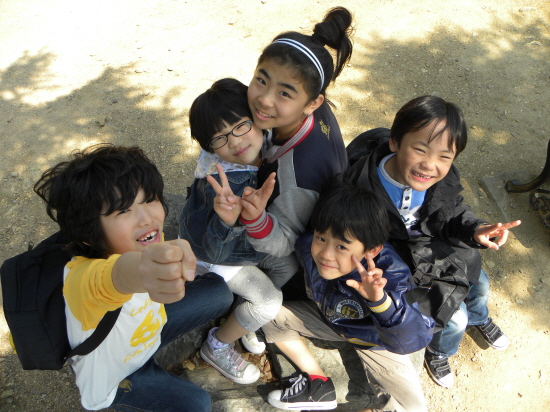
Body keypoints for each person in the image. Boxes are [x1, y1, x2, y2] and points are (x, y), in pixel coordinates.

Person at [33, 144, 234, 412]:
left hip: (148, 329)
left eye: (149, 199)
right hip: (118, 372)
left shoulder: (146, 239)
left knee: (219, 293)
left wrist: (226, 222)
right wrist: (143, 268)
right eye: (123, 211)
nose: (147, 218)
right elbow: (117, 275)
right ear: (89, 235)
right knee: (197, 404)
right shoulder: (81, 280)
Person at [346, 95, 521, 389]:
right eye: (420, 149)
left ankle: (480, 316)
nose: (429, 165)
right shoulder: (361, 187)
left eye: (444, 156)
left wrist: (475, 229)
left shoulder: (442, 179)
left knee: (480, 283)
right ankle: (440, 350)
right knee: (454, 318)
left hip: (441, 247)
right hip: (405, 260)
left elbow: (452, 210)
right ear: (395, 142)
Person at [262, 179, 434, 412]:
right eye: (321, 238)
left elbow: (413, 340)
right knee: (266, 311)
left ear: (372, 250)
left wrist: (380, 302)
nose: (326, 254)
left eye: (342, 247)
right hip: (329, 319)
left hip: (373, 340)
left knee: (413, 408)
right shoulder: (307, 247)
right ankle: (318, 384)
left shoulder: (390, 276)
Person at [178, 78, 298, 385]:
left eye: (240, 126)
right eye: (219, 139)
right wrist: (227, 221)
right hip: (212, 253)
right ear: (209, 146)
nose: (234, 142)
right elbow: (217, 251)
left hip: (232, 241)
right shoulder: (229, 183)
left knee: (287, 264)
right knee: (269, 301)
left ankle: (243, 320)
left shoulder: (252, 146)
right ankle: (216, 345)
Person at [238, 6, 352, 261]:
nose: (264, 100)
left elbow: (285, 243)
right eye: (261, 80)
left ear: (313, 103)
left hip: (284, 255)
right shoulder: (302, 112)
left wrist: (255, 219)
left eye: (284, 93)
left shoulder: (297, 179)